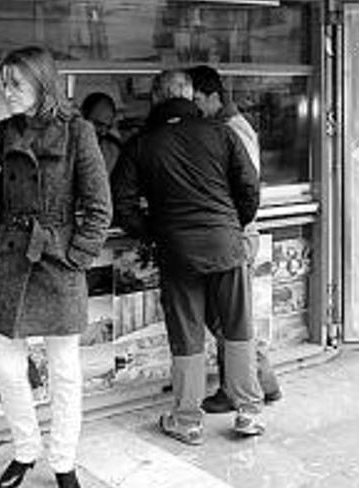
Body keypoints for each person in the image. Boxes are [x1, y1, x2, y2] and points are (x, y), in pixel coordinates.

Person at [0, 45, 112, 488]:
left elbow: (97, 206)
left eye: (17, 83)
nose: (8, 92)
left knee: (64, 368)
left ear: (42, 83)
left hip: (56, 260)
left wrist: (77, 257)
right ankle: (25, 450)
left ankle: (64, 461)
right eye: (4, 83)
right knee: (8, 369)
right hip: (8, 258)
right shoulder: (1, 132)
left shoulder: (78, 132)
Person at [111, 69, 265, 446]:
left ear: (156, 98)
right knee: (238, 328)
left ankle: (186, 420)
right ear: (190, 95)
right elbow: (249, 189)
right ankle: (247, 413)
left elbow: (122, 205)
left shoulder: (141, 143)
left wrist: (155, 231)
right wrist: (231, 224)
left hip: (178, 253)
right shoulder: (221, 132)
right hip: (227, 246)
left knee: (187, 335)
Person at [186, 64, 283, 413]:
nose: (193, 107)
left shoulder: (231, 131)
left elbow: (244, 189)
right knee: (230, 317)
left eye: (196, 99)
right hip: (235, 230)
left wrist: (236, 229)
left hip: (235, 233)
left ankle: (239, 386)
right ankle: (262, 381)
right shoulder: (227, 127)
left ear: (213, 96)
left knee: (227, 318)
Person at [80, 92, 123, 175]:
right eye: (98, 124)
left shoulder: (112, 151)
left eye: (108, 127)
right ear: (82, 115)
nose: (103, 132)